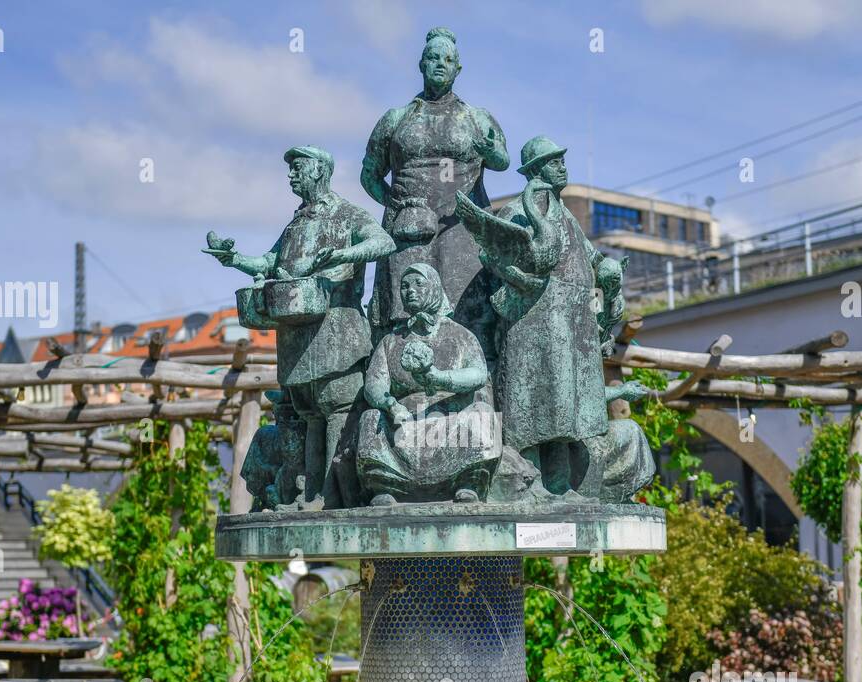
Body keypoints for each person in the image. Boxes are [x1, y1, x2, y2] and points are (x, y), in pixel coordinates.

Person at [206, 145, 394, 508]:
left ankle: (333, 494)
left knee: (337, 409)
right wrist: (235, 259)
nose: (291, 174)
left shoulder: (347, 215)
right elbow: (270, 260)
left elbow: (383, 242)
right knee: (309, 415)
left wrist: (345, 254)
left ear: (320, 171)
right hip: (298, 335)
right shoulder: (297, 222)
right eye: (290, 169)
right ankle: (311, 495)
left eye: (298, 167)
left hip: (337, 332)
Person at [464, 135, 625, 495]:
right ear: (536, 170)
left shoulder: (565, 213)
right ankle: (527, 482)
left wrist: (607, 266)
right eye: (554, 162)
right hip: (534, 323)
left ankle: (560, 484)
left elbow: (587, 255)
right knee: (534, 406)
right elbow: (493, 257)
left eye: (562, 161)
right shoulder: (517, 211)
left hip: (570, 322)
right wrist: (525, 281)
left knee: (565, 409)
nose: (562, 167)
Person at [361, 26, 508, 352]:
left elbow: (502, 161)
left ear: (458, 68)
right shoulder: (396, 119)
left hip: (461, 228)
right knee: (402, 312)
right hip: (409, 230)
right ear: (421, 64)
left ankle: (471, 380)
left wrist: (490, 149)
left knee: (468, 309)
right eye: (433, 57)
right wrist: (396, 204)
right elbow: (369, 175)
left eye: (448, 59)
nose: (440, 63)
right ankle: (398, 377)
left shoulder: (476, 118)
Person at [357, 264, 501, 504]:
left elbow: (478, 374)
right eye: (404, 286)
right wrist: (390, 405)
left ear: (434, 288)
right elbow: (374, 383)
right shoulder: (390, 341)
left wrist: (439, 378)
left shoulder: (460, 335)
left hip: (451, 417)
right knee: (371, 418)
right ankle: (387, 486)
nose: (410, 291)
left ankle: (467, 484)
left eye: (418, 284)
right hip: (403, 419)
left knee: (482, 415)